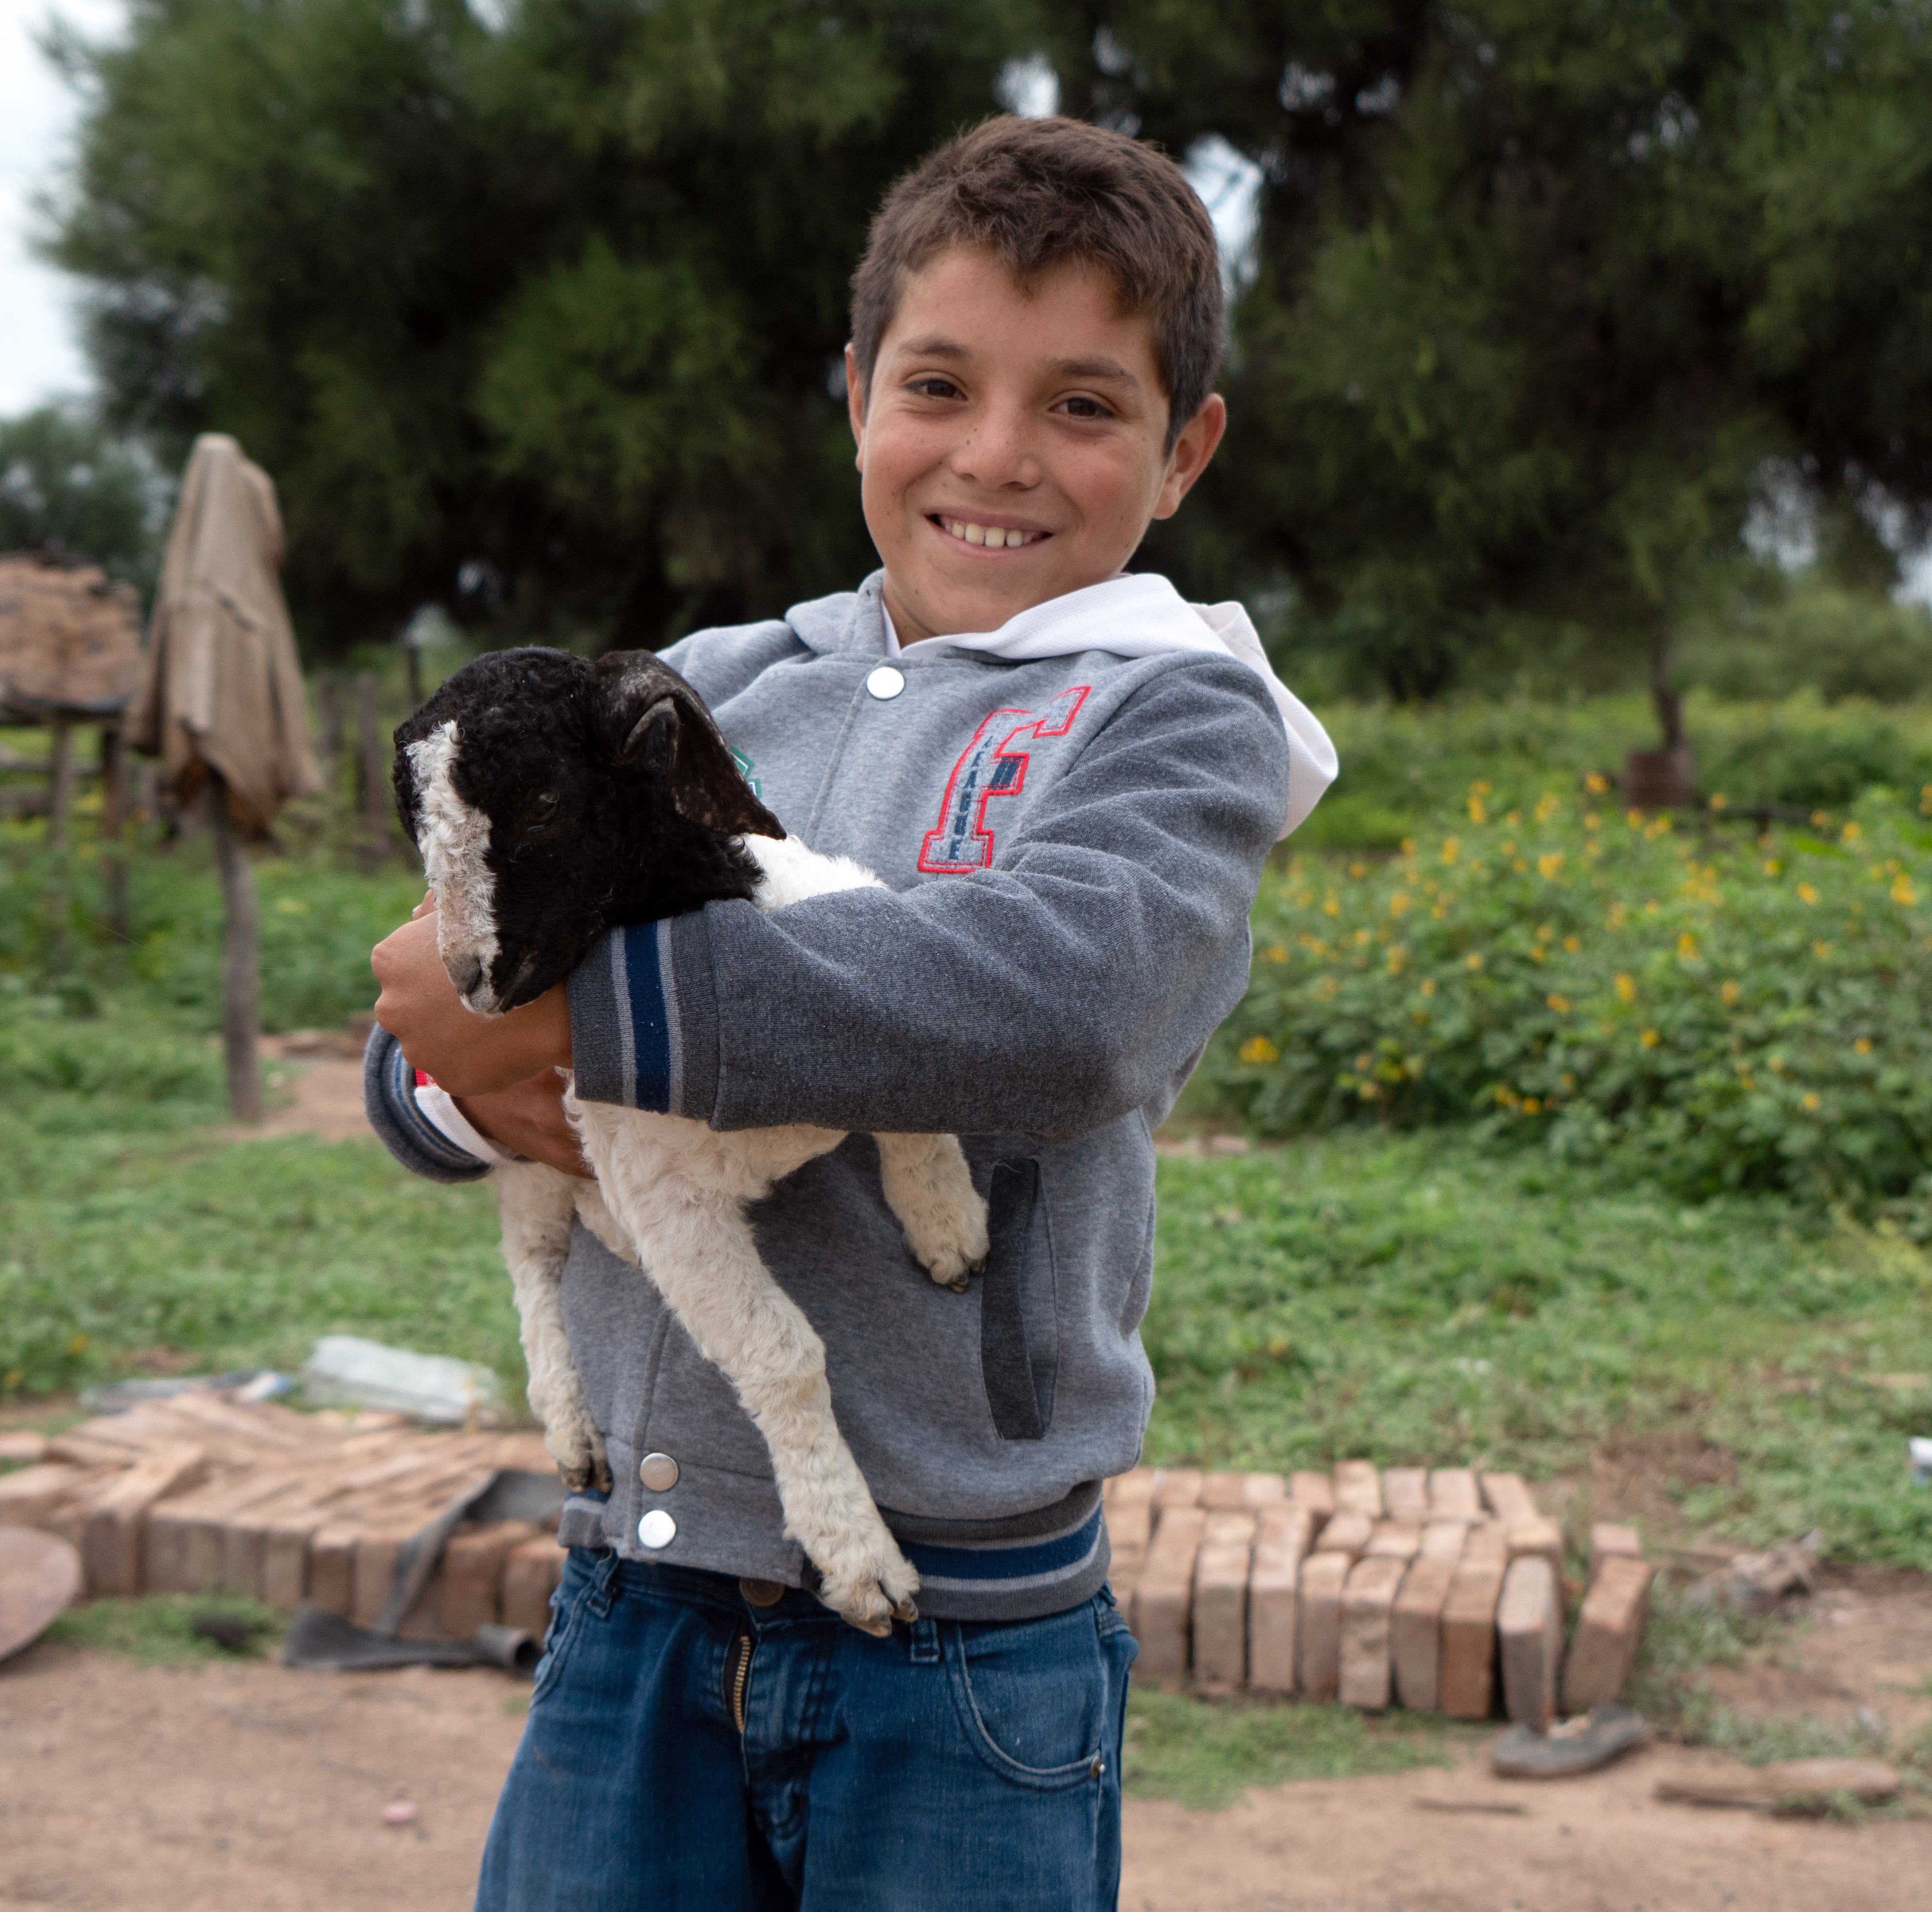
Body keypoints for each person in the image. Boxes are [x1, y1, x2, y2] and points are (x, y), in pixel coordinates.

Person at [365, 113, 1335, 1912]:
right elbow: (447, 975)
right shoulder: (714, 684)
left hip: (966, 1649)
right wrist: (447, 1064)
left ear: (1185, 449)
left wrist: (587, 1018)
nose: (996, 456)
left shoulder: (1175, 716)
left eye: (1084, 405)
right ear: (854, 390)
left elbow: (1058, 1007)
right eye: (940, 383)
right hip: (632, 1598)